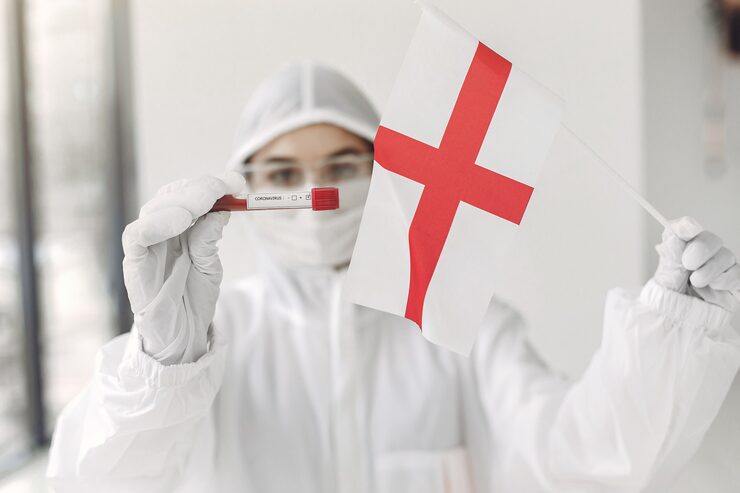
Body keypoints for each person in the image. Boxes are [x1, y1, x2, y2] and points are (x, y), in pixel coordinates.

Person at [46, 61, 740, 493]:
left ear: (382, 171)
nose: (315, 194)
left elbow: (586, 457)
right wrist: (162, 364)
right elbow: (98, 482)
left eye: (342, 166)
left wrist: (674, 326)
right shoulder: (211, 346)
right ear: (242, 189)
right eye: (283, 173)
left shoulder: (459, 323)